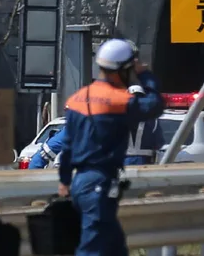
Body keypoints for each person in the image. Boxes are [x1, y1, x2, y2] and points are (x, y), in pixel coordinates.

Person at [57, 39, 165, 256]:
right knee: (92, 249)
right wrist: (144, 76)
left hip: (80, 183)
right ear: (124, 70)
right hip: (98, 183)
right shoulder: (119, 100)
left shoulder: (78, 98)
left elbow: (67, 146)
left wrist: (65, 180)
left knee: (114, 247)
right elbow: (155, 105)